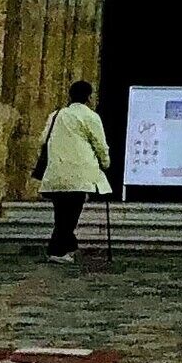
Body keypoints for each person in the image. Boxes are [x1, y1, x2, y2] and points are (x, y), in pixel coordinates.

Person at [36, 78, 112, 261]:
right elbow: (100, 144)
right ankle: (57, 250)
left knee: (61, 212)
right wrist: (105, 162)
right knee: (71, 214)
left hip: (57, 171)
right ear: (89, 97)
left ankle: (66, 246)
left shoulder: (56, 115)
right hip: (80, 173)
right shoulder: (90, 117)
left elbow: (42, 140)